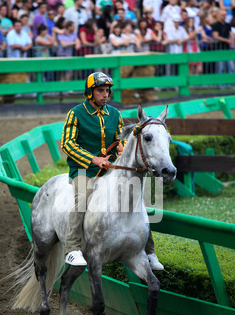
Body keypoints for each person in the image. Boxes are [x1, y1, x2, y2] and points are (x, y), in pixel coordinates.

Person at [61, 72, 163, 270]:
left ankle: (149, 251)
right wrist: (93, 159)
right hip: (83, 170)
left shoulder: (115, 114)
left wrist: (120, 146)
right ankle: (72, 248)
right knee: (83, 195)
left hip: (111, 167)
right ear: (90, 92)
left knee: (135, 200)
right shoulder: (75, 113)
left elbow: (118, 138)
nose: (105, 94)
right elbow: (67, 144)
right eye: (101, 91)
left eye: (107, 91)